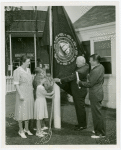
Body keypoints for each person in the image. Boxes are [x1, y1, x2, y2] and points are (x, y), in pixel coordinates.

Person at [54, 56, 89, 131]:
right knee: (79, 108)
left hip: (79, 92)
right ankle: (81, 124)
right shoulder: (84, 66)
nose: (76, 63)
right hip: (78, 91)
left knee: (80, 109)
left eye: (77, 62)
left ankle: (82, 125)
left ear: (82, 62)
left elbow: (72, 77)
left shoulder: (81, 70)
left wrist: (60, 80)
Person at [77, 54, 106, 138]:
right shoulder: (101, 67)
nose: (89, 61)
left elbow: (90, 84)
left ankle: (100, 133)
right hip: (98, 92)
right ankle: (99, 129)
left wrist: (79, 83)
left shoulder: (96, 70)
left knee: (97, 114)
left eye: (90, 60)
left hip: (95, 94)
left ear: (94, 60)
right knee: (98, 113)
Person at [13, 55, 34, 138]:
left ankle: (26, 129)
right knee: (21, 111)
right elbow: (16, 84)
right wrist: (21, 94)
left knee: (28, 110)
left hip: (29, 92)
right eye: (28, 61)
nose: (29, 63)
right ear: (23, 62)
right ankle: (20, 130)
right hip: (22, 92)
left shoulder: (28, 70)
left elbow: (30, 81)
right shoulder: (17, 71)